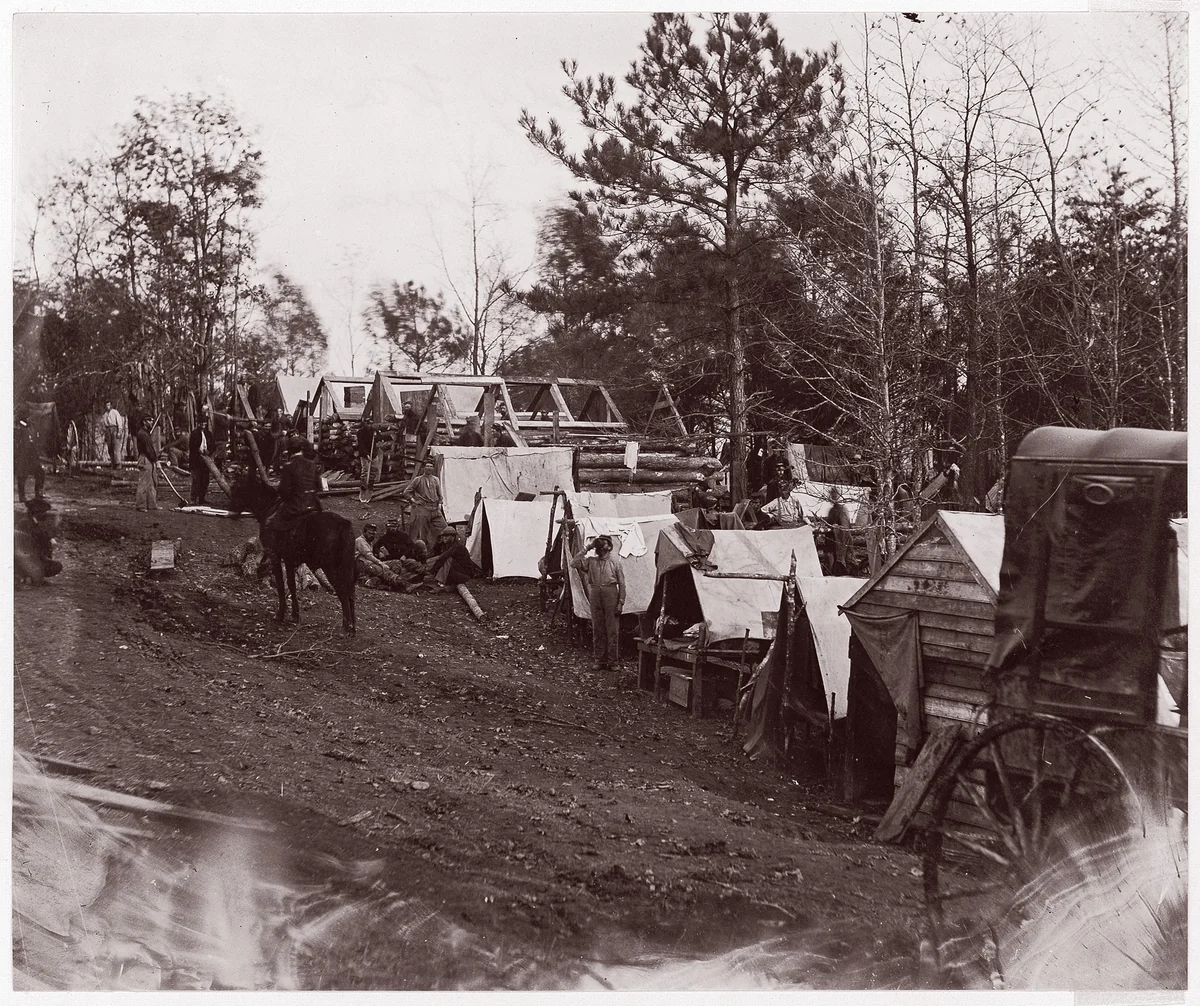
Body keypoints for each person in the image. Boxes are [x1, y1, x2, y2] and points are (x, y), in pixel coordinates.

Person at [262, 440, 324, 567]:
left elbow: (283, 491)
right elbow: (318, 486)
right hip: (313, 504)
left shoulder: (288, 466)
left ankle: (273, 554)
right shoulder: (311, 464)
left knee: (270, 523)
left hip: (296, 506)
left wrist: (289, 497)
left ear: (289, 452)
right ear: (301, 450)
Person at [569, 534, 626, 671]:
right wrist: (588, 547)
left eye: (604, 543)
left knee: (612, 630)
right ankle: (600, 660)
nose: (601, 547)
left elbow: (622, 584)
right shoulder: (591, 561)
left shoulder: (615, 562)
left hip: (610, 593)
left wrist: (621, 602)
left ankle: (613, 662)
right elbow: (574, 563)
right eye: (599, 544)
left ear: (609, 547)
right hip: (595, 593)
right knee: (598, 628)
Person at [15, 498, 62, 583]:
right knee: (55, 566)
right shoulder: (25, 523)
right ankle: (26, 576)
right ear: (37, 512)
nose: (45, 515)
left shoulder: (32, 521)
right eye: (44, 512)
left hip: (27, 557)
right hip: (24, 558)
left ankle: (30, 575)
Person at [401, 458, 447, 546]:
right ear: (424, 468)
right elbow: (406, 492)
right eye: (427, 466)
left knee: (444, 528)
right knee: (423, 533)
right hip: (423, 509)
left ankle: (438, 547)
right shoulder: (418, 479)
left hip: (435, 509)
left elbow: (439, 494)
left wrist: (440, 504)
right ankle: (424, 550)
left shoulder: (436, 479)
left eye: (431, 466)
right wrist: (414, 501)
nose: (429, 468)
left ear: (433, 468)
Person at [15, 412, 44, 503]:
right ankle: (22, 496)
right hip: (22, 454)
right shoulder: (18, 427)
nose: (30, 419)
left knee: (40, 472)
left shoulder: (32, 427)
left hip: (33, 454)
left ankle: (38, 493)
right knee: (22, 474)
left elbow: (36, 440)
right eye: (28, 417)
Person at [827, 487, 855, 575]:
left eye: (835, 496)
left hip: (842, 539)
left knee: (845, 559)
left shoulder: (843, 509)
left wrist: (837, 527)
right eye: (832, 496)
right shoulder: (832, 510)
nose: (834, 498)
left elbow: (845, 526)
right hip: (833, 539)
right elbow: (829, 523)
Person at [134, 416, 159, 511]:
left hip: (149, 459)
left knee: (151, 482)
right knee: (144, 483)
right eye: (149, 420)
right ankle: (140, 505)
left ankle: (152, 504)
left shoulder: (146, 433)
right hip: (145, 459)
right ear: (144, 422)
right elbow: (148, 449)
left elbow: (151, 449)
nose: (151, 422)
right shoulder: (143, 434)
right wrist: (156, 460)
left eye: (152, 420)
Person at [188, 413, 213, 505]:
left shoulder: (208, 434)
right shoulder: (194, 433)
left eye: (204, 422)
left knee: (205, 480)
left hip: (205, 460)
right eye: (200, 423)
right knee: (196, 480)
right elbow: (192, 446)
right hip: (196, 460)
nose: (202, 424)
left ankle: (202, 498)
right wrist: (198, 450)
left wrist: (209, 451)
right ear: (198, 423)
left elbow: (213, 445)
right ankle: (193, 499)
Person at [101, 400, 123, 468]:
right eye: (106, 405)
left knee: (116, 446)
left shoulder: (115, 412)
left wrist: (119, 431)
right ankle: (113, 463)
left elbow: (119, 422)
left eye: (108, 405)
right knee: (110, 447)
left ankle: (118, 463)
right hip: (108, 430)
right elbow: (103, 425)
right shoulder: (105, 415)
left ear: (111, 405)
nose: (107, 406)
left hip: (114, 429)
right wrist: (105, 434)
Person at [356, 418, 378, 486]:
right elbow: (361, 445)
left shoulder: (374, 431)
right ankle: (364, 485)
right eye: (367, 424)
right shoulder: (360, 432)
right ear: (364, 424)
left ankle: (370, 484)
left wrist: (376, 435)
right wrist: (367, 455)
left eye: (370, 424)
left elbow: (380, 438)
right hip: (364, 454)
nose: (369, 425)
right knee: (365, 470)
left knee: (374, 469)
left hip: (373, 453)